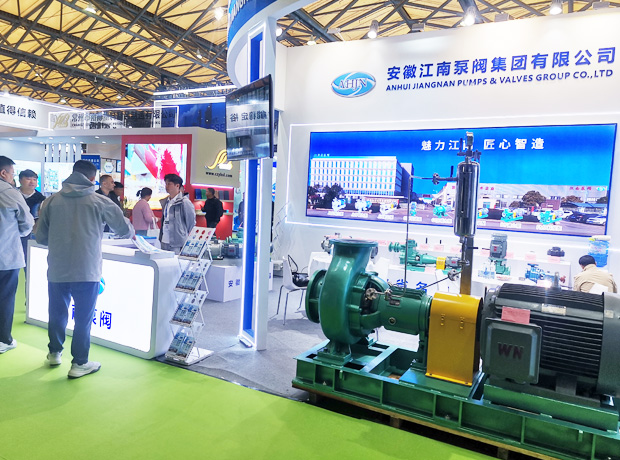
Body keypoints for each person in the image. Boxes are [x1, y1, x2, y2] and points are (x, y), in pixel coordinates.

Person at [36, 160, 134, 378]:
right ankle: (79, 363)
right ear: (92, 178)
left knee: (57, 313)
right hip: (87, 268)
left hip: (58, 267)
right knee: (83, 318)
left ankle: (54, 353)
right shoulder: (100, 201)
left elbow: (41, 237)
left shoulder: (51, 201)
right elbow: (124, 230)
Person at [0, 156, 34, 353]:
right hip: (6, 255)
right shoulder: (10, 193)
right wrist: (16, 234)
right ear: (3, 173)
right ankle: (3, 339)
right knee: (5, 298)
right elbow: (27, 223)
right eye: (12, 173)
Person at [159, 173, 195, 254]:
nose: (166, 186)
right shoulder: (166, 201)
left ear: (177, 186)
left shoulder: (184, 202)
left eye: (169, 184)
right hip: (164, 240)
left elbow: (191, 222)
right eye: (166, 184)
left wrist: (182, 233)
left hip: (177, 243)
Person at [18, 169, 45, 270]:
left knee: (30, 262)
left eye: (34, 179)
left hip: (31, 235)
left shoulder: (41, 199)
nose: (32, 182)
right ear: (20, 180)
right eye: (28, 179)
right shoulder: (13, 195)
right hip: (13, 234)